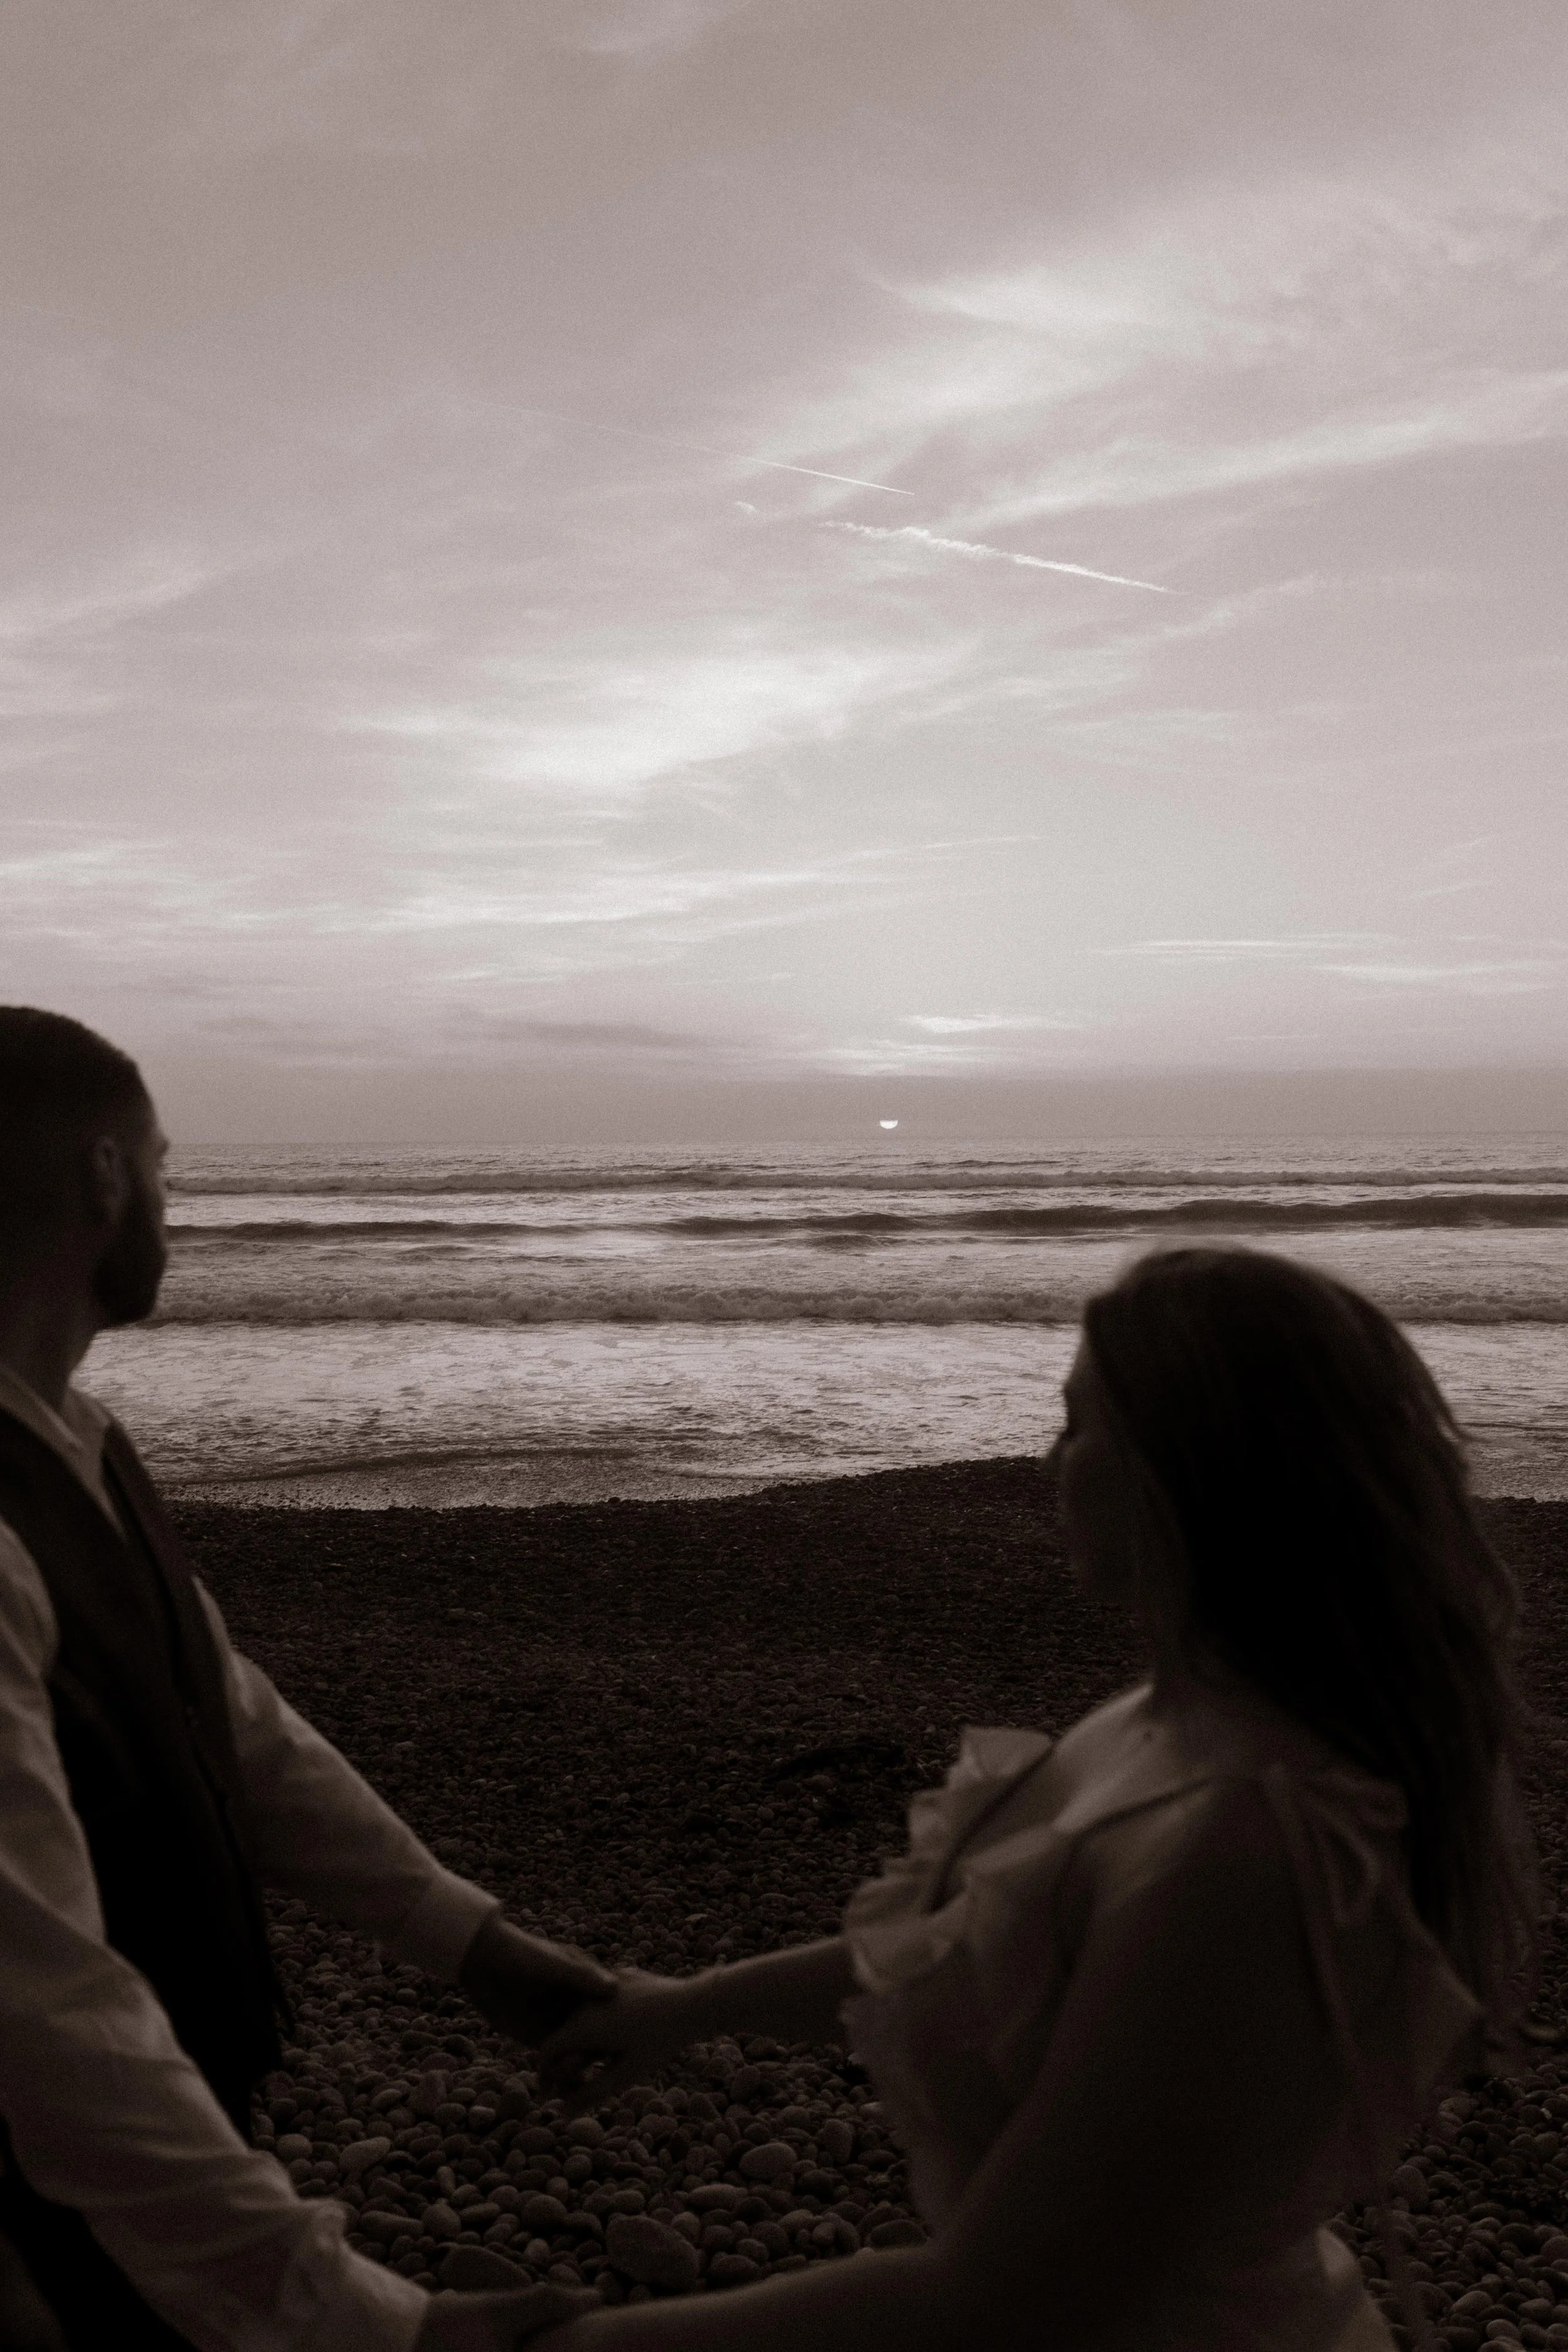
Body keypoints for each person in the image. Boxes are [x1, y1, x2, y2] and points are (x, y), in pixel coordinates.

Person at [534, 1244, 1545, 2351]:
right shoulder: (1157, 1720)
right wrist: (687, 2005)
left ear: (1186, 1467)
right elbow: (967, 1950)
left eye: (1078, 1425)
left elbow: (993, 2304)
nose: (1048, 1460)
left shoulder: (1249, 1841)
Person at [0, 1008, 616, 2352]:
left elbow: (229, 1723)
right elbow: (38, 2002)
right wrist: (379, 2326)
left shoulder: (79, 1448)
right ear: (105, 1175)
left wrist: (467, 1938)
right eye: (165, 1165)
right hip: (48, 2223)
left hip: (132, 2180)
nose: (174, 1200)